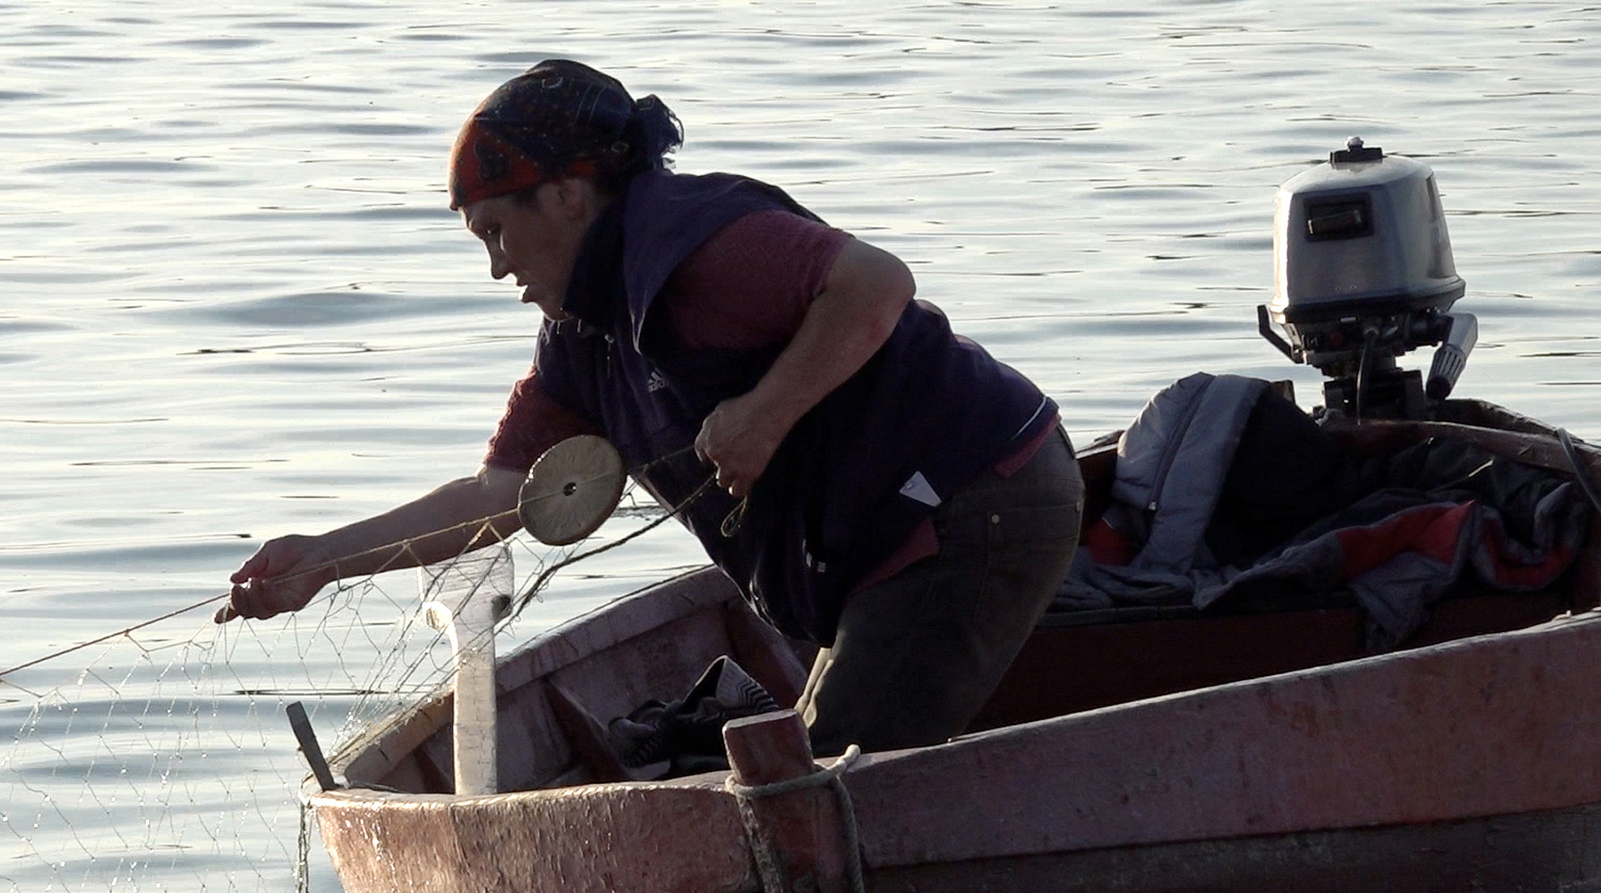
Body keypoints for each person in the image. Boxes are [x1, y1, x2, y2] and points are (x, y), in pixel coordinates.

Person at [217, 60, 1083, 754]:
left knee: (825, 790)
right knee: (808, 763)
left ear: (563, 195)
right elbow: (496, 497)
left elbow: (875, 284)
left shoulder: (698, 237)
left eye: (495, 233)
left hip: (979, 498)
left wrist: (767, 413)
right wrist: (324, 559)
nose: (496, 269)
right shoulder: (580, 340)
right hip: (880, 548)